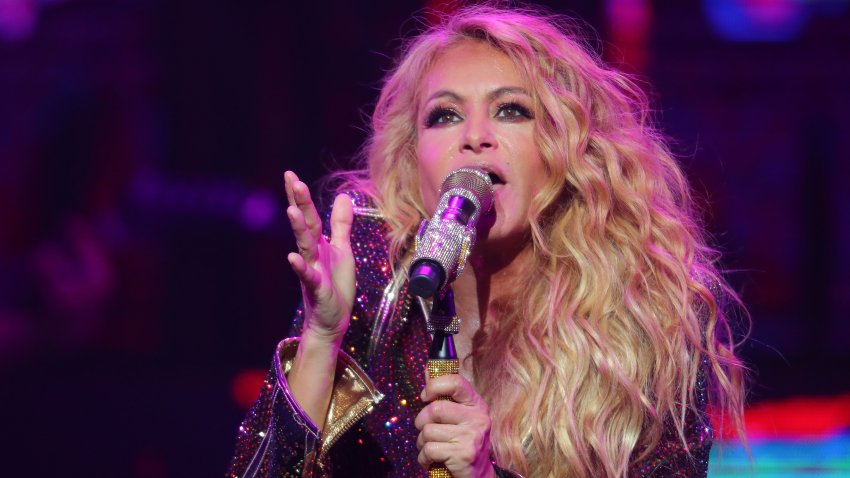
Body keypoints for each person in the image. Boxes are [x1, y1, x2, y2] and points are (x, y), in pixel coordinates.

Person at [228, 5, 746, 478]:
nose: (474, 136)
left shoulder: (649, 313)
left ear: (566, 148)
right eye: (445, 115)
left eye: (511, 110)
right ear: (414, 164)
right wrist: (321, 339)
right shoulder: (369, 278)